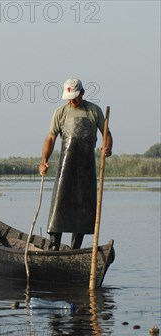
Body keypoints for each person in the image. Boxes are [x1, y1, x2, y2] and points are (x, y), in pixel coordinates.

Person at [39, 78, 113, 250]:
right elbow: (51, 137)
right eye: (69, 98)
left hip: (86, 169)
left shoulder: (94, 111)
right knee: (59, 206)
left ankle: (75, 250)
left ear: (82, 93)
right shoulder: (61, 112)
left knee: (83, 209)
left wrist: (107, 147)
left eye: (75, 97)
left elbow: (106, 133)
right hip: (66, 168)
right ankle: (54, 247)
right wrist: (44, 161)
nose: (72, 101)